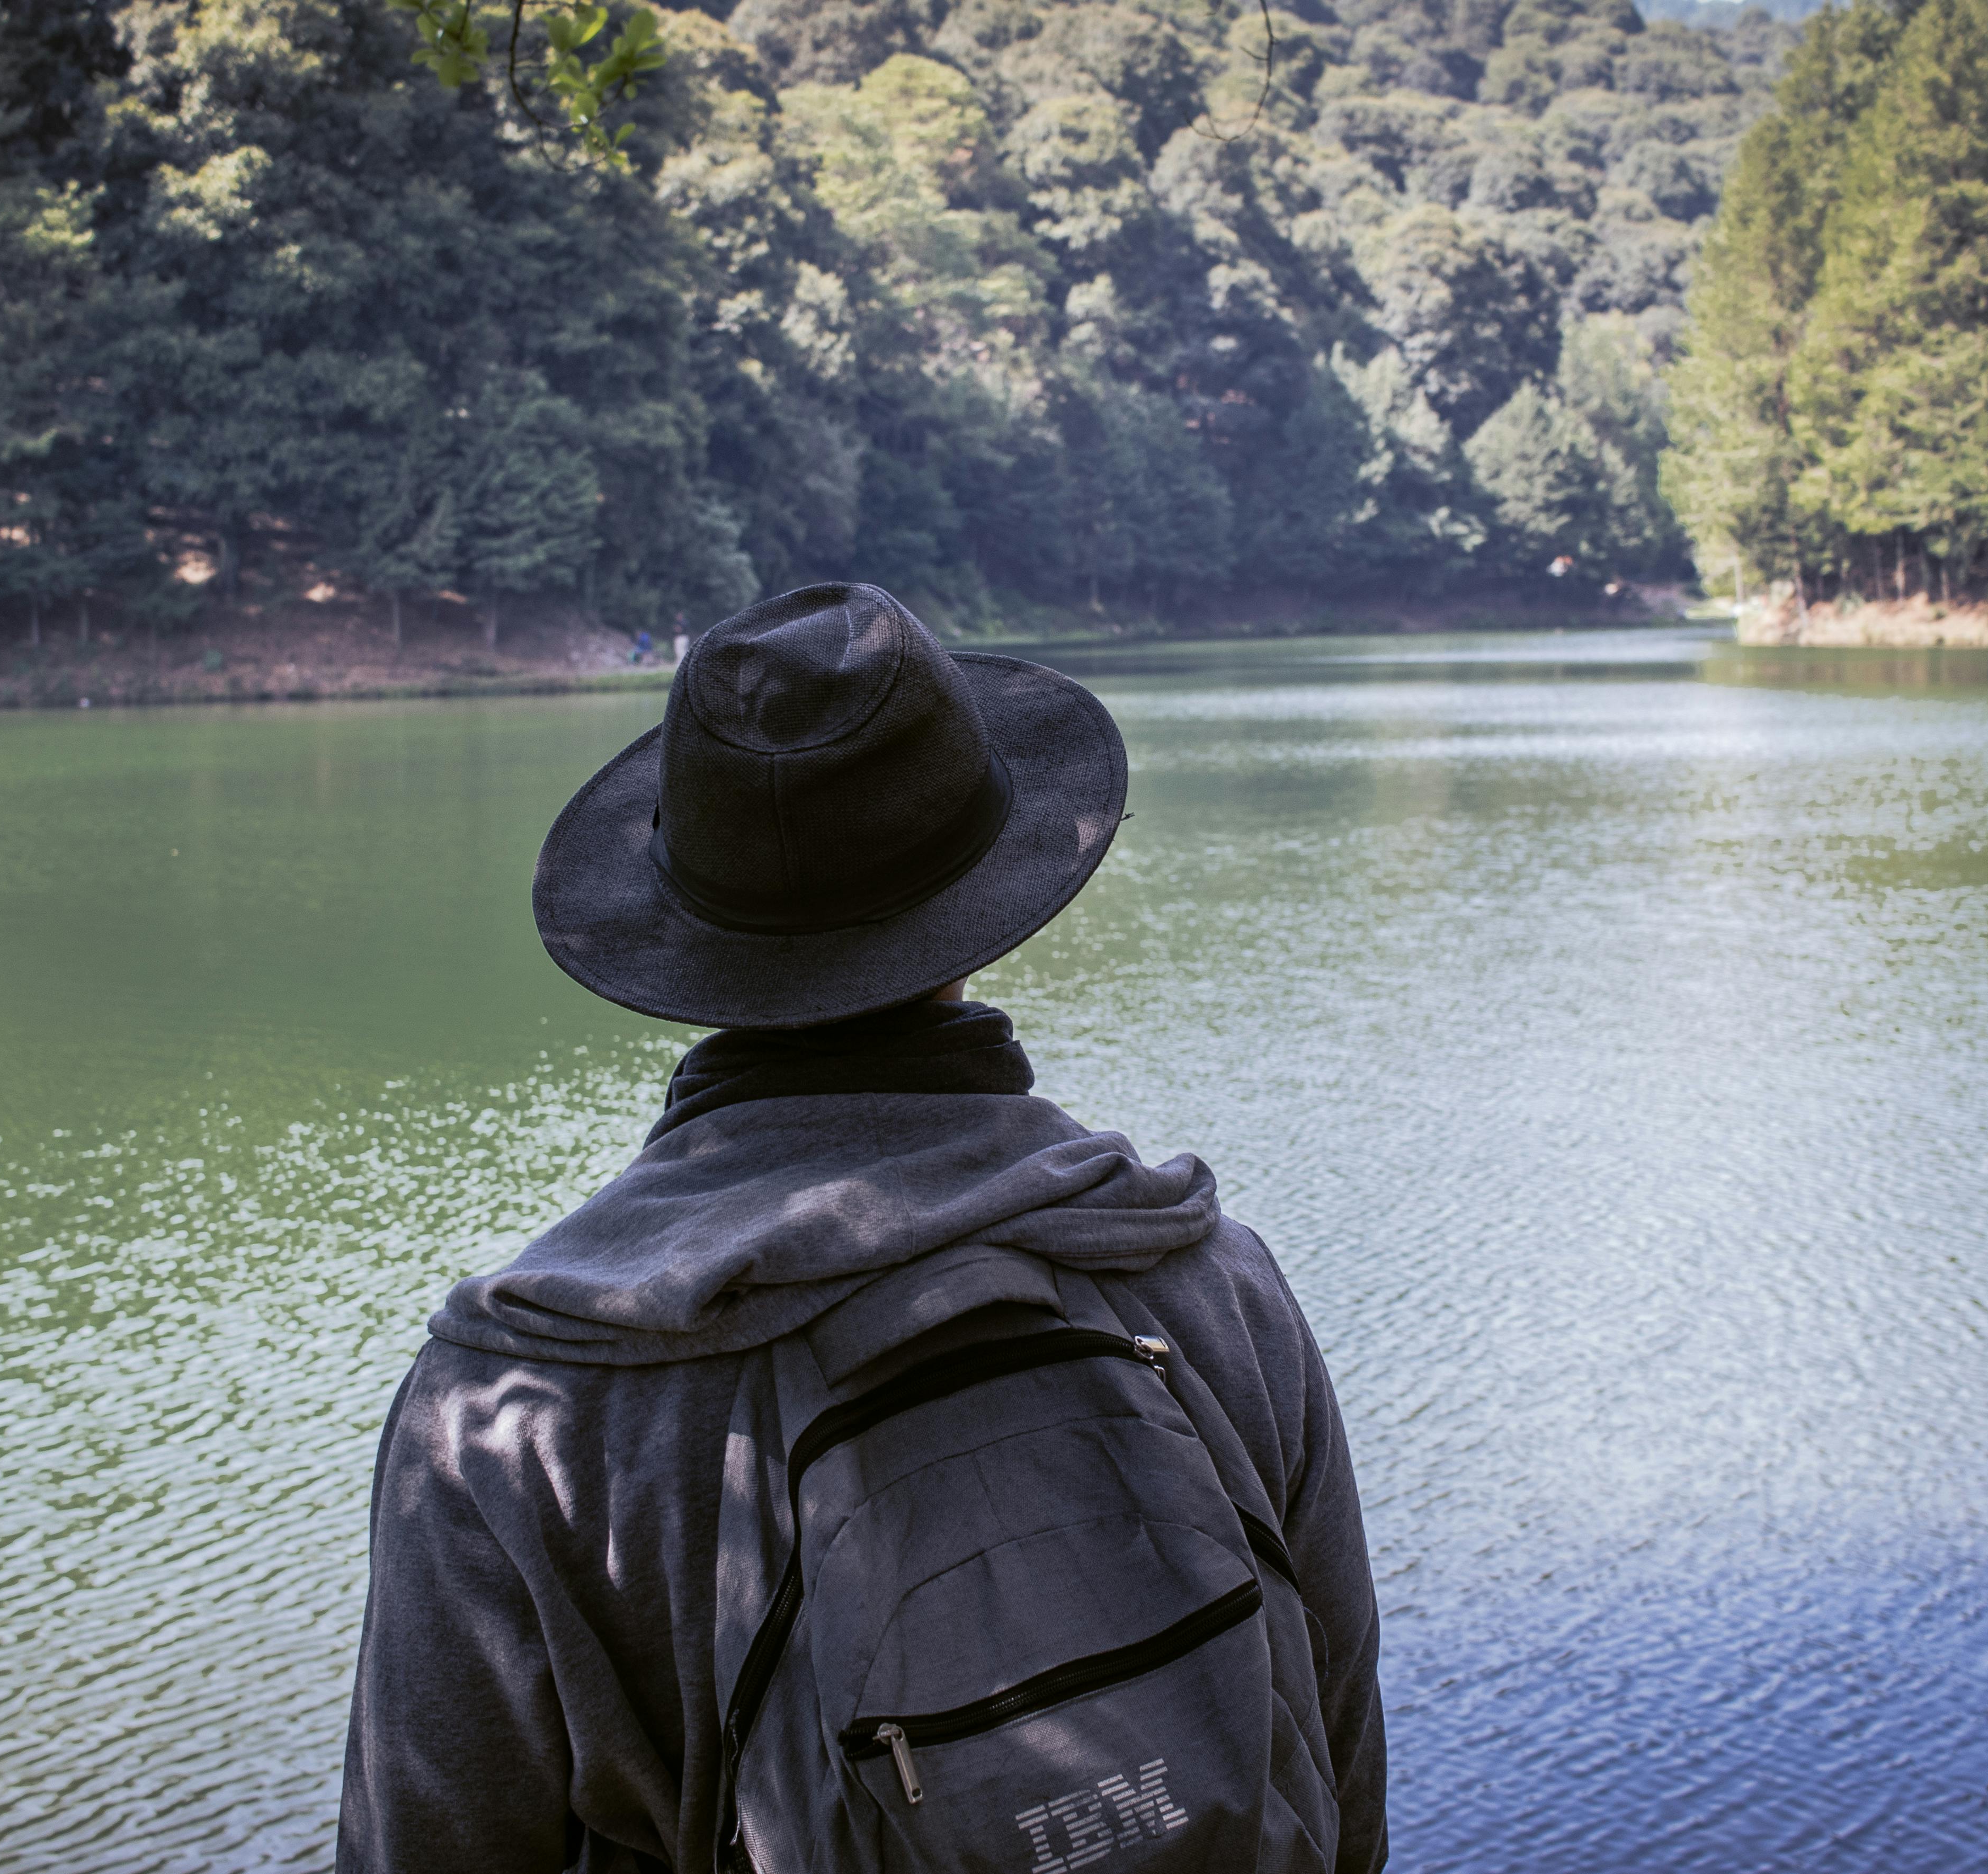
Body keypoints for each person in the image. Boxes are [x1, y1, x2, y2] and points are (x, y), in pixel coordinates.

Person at [335, 583, 1387, 1873]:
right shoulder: (1205, 1278)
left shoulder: (513, 1408)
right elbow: (1339, 1783)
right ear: (975, 906)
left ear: (687, 934)